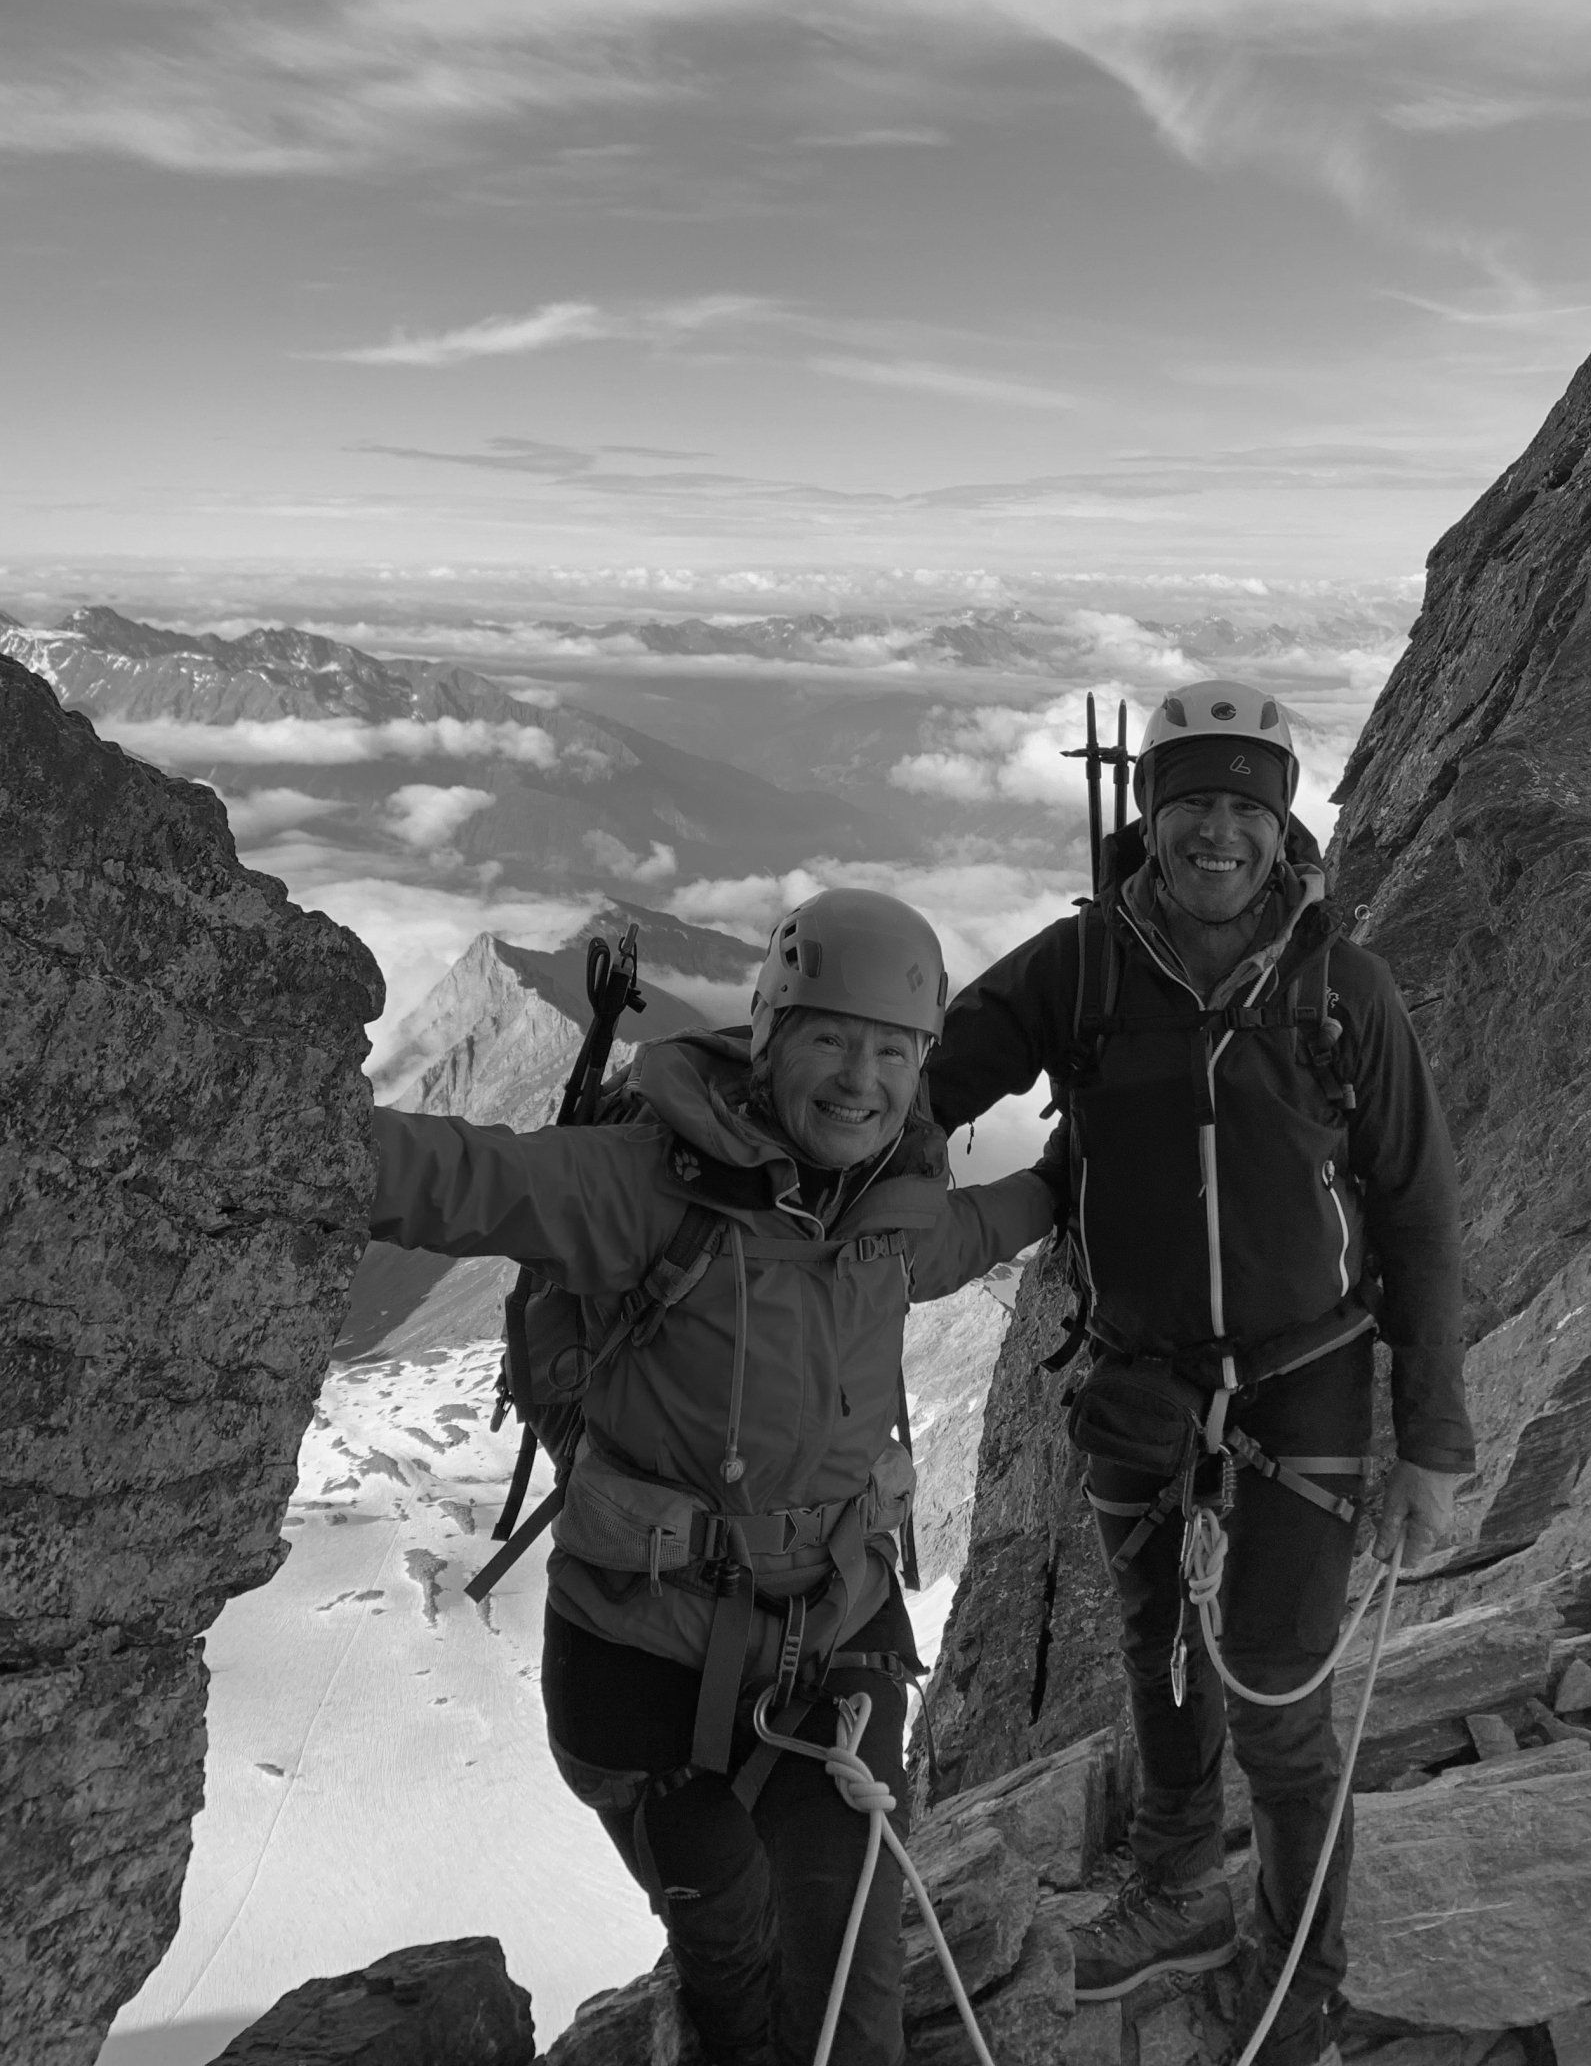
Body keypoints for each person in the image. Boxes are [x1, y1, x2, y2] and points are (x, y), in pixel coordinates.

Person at [368, 887, 1058, 2066]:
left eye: (893, 1050)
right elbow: (467, 1177)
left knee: (853, 1987)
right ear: (770, 1035)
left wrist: (1075, 1177)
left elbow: (975, 1234)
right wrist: (266, 1128)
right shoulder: (648, 1187)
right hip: (641, 1666)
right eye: (832, 1037)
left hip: (831, 1653)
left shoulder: (892, 1215)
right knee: (733, 1953)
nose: (860, 1077)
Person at [925, 684, 1474, 2066]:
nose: (1217, 832)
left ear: (1279, 818)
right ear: (1150, 819)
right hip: (1141, 1387)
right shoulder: (1085, 969)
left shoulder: (1344, 986)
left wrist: (1433, 1444)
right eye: (1191, 804)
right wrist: (790, 1137)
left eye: (1244, 804)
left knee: (1281, 1700)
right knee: (1161, 1656)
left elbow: (1415, 1208)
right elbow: (921, 1080)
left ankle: (1302, 1980)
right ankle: (1175, 1890)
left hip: (1311, 1383)